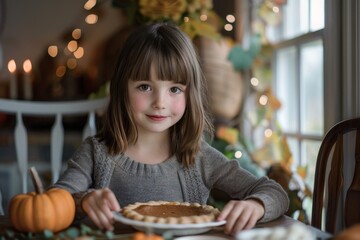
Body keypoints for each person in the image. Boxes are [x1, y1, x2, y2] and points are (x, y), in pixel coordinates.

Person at [51, 22, 289, 236]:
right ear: (122, 88)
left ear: (190, 94)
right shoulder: (96, 153)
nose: (160, 102)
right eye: (145, 87)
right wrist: (84, 199)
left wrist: (256, 204)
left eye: (174, 89)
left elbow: (274, 192)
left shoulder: (198, 157)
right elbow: (53, 201)